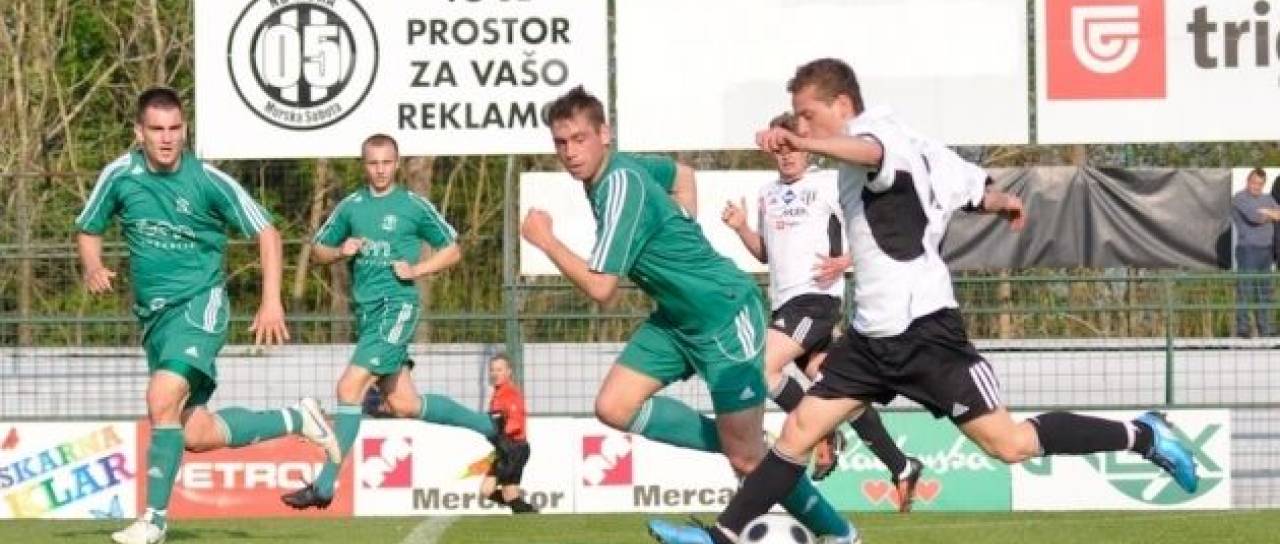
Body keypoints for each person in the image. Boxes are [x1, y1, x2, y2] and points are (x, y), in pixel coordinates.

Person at [649, 58, 1200, 544]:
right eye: (796, 119)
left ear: (842, 105)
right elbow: (969, 187)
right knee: (796, 434)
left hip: (926, 334)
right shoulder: (919, 144)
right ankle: (720, 537)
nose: (802, 126)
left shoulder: (874, 138)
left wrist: (807, 144)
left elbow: (871, 154)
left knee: (1009, 444)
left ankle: (1144, 434)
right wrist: (1001, 202)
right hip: (871, 339)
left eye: (808, 115)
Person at [522, 86, 855, 542]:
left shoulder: (619, 185)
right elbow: (683, 174)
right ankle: (749, 443)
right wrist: (683, 228)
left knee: (747, 461)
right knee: (614, 406)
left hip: (724, 315)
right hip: (676, 319)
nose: (570, 152)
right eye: (561, 143)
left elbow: (602, 289)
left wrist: (546, 241)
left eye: (580, 139)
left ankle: (841, 533)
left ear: (605, 134)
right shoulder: (621, 169)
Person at [76, 87, 340, 544]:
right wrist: (93, 265)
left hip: (200, 304)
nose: (166, 138)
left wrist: (271, 300)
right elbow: (88, 227)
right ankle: (298, 420)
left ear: (185, 130)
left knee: (161, 397)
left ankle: (153, 521)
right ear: (139, 132)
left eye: (175, 128)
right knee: (194, 432)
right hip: (154, 320)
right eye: (156, 129)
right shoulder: (120, 174)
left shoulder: (207, 180)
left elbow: (268, 232)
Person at [282, 134, 500, 509]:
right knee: (404, 404)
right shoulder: (351, 206)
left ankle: (325, 485)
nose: (380, 170)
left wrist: (416, 270)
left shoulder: (412, 205)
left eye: (387, 162)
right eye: (373, 163)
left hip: (397, 307)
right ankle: (493, 428)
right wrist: (340, 251)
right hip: (368, 316)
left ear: (396, 164)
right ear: (363, 165)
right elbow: (317, 250)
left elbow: (452, 250)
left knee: (349, 388)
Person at [722, 111, 923, 509]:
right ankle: (901, 466)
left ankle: (820, 432)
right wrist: (742, 228)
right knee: (838, 388)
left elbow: (873, 228)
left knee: (760, 366)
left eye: (792, 146)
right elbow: (766, 253)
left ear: (806, 147)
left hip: (815, 300)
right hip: (785, 304)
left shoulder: (829, 184)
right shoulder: (766, 193)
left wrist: (846, 260)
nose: (787, 155)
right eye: (779, 149)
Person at [481, 353, 538, 514]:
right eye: (492, 370)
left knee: (509, 494)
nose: (495, 373)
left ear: (509, 372)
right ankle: (521, 507)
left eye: (499, 370)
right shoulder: (497, 394)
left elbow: (516, 423)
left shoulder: (511, 393)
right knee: (486, 491)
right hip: (503, 449)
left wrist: (499, 434)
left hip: (514, 449)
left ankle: (527, 513)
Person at [1233, 167, 1280, 337]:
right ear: (1248, 181)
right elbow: (1255, 218)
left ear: (1264, 184)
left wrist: (1265, 211)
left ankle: (1265, 328)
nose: (1256, 186)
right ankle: (1243, 328)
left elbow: (1278, 215)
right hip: (1248, 250)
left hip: (1266, 251)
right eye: (1253, 182)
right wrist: (1269, 213)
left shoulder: (1267, 198)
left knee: (1265, 291)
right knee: (1245, 290)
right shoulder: (1240, 198)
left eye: (1260, 184)